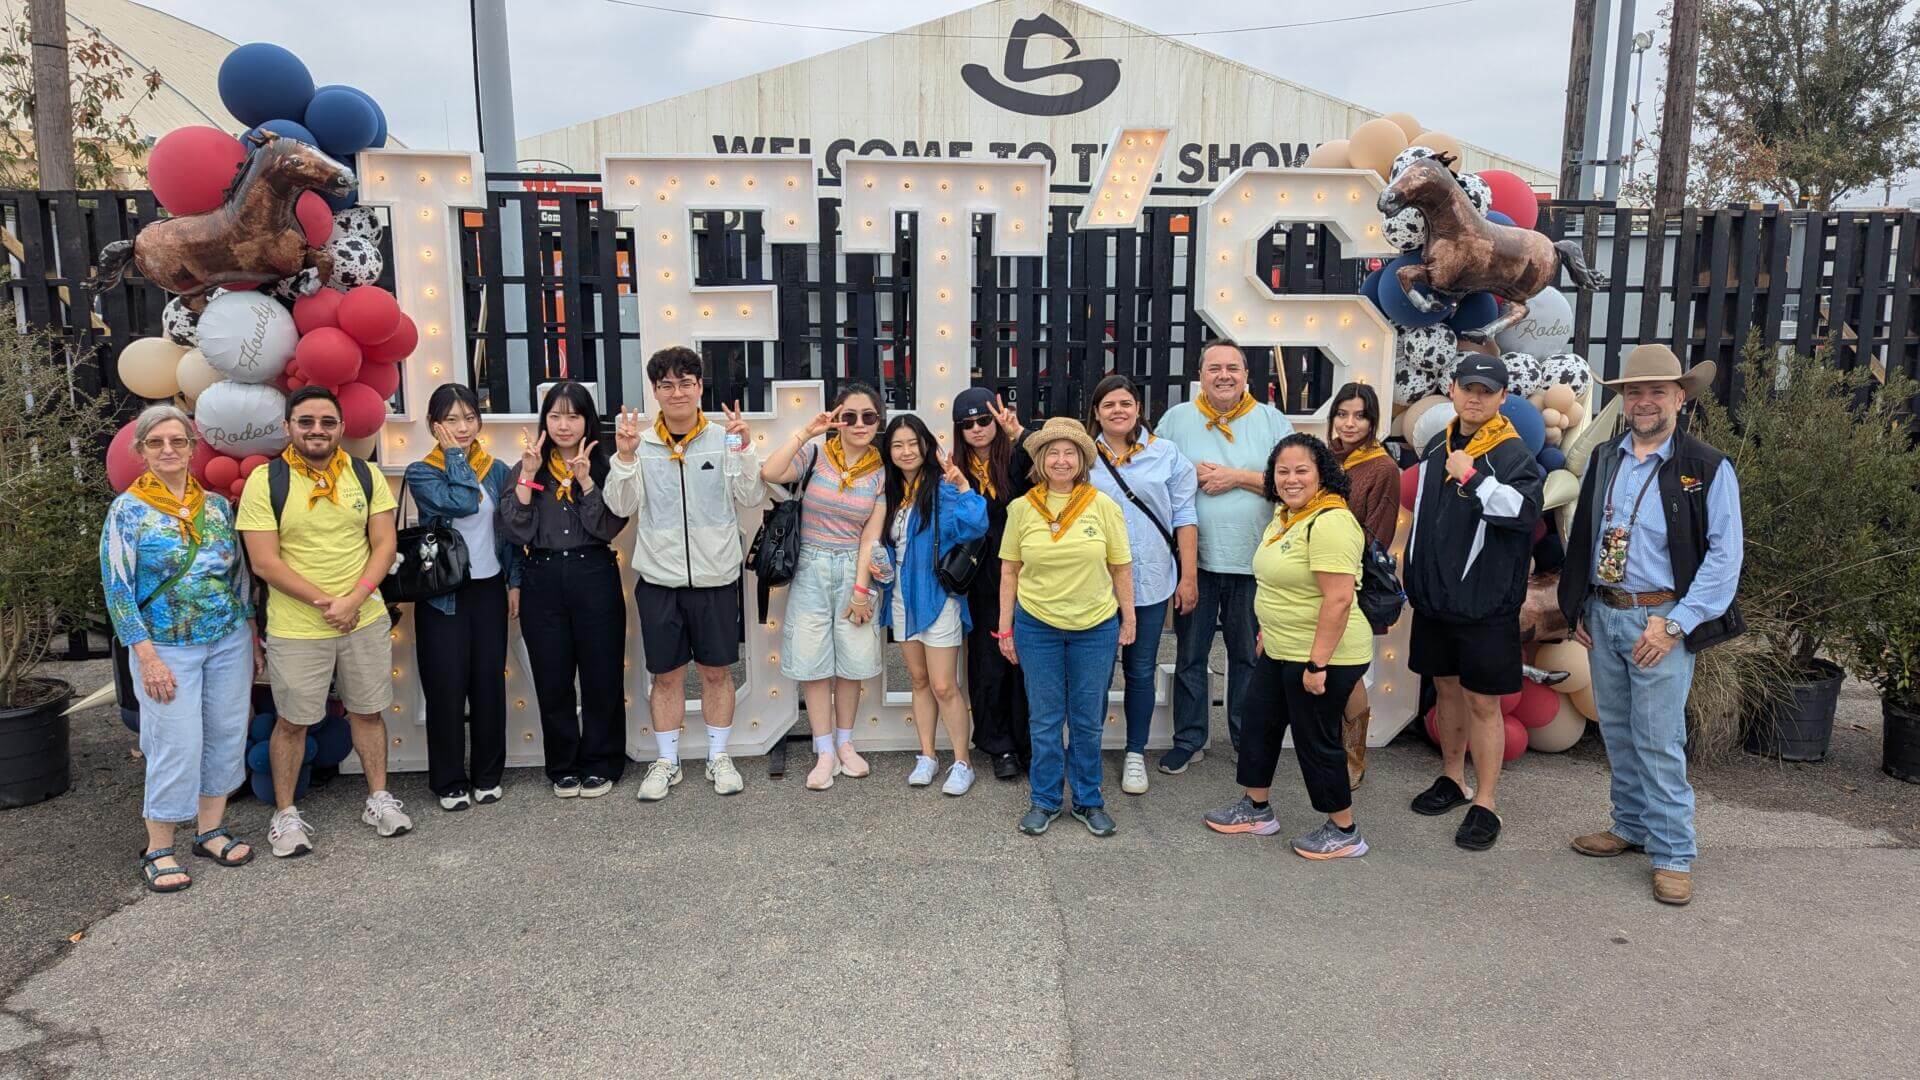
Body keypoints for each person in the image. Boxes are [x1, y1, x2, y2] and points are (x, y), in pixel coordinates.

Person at [1559, 344, 1745, 906]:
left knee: (1659, 740)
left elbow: (1724, 558)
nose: (1644, 402)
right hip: (1606, 614)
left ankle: (1672, 853)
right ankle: (1631, 825)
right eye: (1634, 392)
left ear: (1680, 398)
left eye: (1657, 392)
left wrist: (1675, 625)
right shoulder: (1606, 458)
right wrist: (1579, 605)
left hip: (1660, 622)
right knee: (1617, 732)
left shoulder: (1707, 467)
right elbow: (1587, 536)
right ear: (1623, 400)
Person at [238, 386, 407, 856]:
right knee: (292, 721)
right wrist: (327, 603)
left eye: (327, 422)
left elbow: (384, 546)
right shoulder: (265, 481)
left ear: (341, 428)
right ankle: (285, 815)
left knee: (367, 712)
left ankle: (378, 798)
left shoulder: (365, 475)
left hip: (362, 618)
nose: (317, 430)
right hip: (297, 626)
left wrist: (354, 599)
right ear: (288, 427)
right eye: (306, 421)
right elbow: (265, 562)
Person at [101, 404, 261, 891]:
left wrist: (251, 632)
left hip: (227, 639)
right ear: (142, 451)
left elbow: (238, 576)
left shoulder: (216, 506)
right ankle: (159, 848)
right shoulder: (128, 510)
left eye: (178, 441)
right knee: (175, 742)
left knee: (226, 733)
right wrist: (145, 656)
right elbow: (118, 589)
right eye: (156, 442)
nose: (168, 450)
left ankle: (210, 830)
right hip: (165, 647)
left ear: (192, 448)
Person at [604, 346, 764, 801]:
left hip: (715, 578)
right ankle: (667, 762)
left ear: (699, 387)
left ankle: (718, 756)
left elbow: (750, 496)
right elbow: (620, 505)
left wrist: (745, 449)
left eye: (686, 383)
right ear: (655, 392)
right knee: (667, 676)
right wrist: (625, 458)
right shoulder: (641, 443)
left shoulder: (722, 438)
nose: (677, 392)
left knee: (716, 673)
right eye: (667, 385)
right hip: (659, 580)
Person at [1203, 434, 1374, 859]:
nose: (1291, 479)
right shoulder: (1287, 516)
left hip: (1321, 655)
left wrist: (1317, 665)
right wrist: (1268, 631)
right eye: (1282, 471)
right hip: (1282, 647)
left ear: (1322, 474)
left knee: (1315, 738)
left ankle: (1344, 830)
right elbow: (1280, 583)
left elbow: (1338, 599)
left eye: (1301, 471)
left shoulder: (1330, 521)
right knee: (1259, 722)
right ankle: (1256, 808)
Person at [1403, 354, 1543, 851]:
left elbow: (1524, 513)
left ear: (1503, 397)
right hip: (1436, 601)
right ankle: (1452, 778)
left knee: (1484, 703)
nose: (1476, 398)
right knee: (1445, 690)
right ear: (1453, 390)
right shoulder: (1439, 446)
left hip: (1485, 606)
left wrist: (1474, 477)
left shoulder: (1512, 453)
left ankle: (1486, 802)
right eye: (1468, 388)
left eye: (1487, 391)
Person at [1155, 341, 1294, 773]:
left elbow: (1294, 481)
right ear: (1201, 375)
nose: (1224, 375)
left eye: (1233, 367)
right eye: (1214, 368)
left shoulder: (1272, 421)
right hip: (1196, 563)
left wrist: (1237, 477)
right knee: (1190, 656)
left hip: (1254, 562)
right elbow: (1154, 476)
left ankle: (1245, 739)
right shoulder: (1177, 419)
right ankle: (1189, 739)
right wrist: (1185, 475)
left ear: (1247, 375)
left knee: (1248, 658)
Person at [998, 417, 1135, 838]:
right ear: (1040, 460)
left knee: (1087, 719)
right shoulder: (1022, 509)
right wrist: (1005, 628)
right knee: (1044, 719)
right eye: (1053, 452)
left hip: (1094, 627)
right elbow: (1009, 571)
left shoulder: (1103, 505)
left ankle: (1089, 800)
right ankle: (1044, 799)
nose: (1061, 460)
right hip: (1036, 626)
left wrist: (1129, 618)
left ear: (1081, 460)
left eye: (1069, 453)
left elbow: (1121, 566)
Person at [497, 380, 629, 798]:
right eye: (555, 416)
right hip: (542, 575)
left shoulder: (606, 467)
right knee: (552, 676)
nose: (563, 425)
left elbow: (608, 526)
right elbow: (515, 529)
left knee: (601, 674)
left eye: (573, 416)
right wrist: (528, 476)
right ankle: (563, 765)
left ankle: (602, 762)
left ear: (588, 420)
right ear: (545, 420)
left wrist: (586, 482)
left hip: (594, 572)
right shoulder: (529, 466)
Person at [761, 383, 887, 791]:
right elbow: (770, 472)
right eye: (849, 416)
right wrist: (806, 432)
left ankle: (846, 743)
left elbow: (870, 537)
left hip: (853, 567)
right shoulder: (816, 454)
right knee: (814, 663)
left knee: (852, 661)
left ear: (878, 421)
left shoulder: (880, 471)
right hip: (811, 566)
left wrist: (861, 590)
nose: (859, 424)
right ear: (837, 418)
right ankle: (824, 749)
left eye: (868, 416)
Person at [403, 384, 521, 811]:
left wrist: (514, 582)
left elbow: (508, 531)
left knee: (488, 685)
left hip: (489, 589)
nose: (463, 427)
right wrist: (455, 456)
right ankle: (449, 779)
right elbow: (463, 502)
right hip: (443, 595)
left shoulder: (498, 469)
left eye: (469, 418)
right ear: (434, 425)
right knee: (446, 688)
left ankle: (488, 774)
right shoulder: (422, 471)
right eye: (451, 420)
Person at [1084, 374, 1198, 796]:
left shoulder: (1166, 454)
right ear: (1096, 413)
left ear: (1138, 409)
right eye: (1109, 404)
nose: (1118, 411)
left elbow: (1185, 516)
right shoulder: (1083, 457)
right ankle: (1087, 751)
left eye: (1125, 403)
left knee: (1140, 669)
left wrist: (1188, 576)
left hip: (1149, 580)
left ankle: (1135, 751)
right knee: (1094, 672)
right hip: (1094, 583)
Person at [870, 415, 989, 794]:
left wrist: (964, 486)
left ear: (926, 446)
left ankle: (962, 762)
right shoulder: (891, 492)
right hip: (901, 599)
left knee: (944, 685)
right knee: (919, 681)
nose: (906, 452)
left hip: (938, 598)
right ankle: (927, 755)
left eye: (913, 443)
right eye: (897, 445)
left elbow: (975, 528)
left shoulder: (942, 487)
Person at [952, 388, 1036, 780]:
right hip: (980, 577)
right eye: (967, 423)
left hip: (1026, 572)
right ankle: (999, 745)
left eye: (984, 420)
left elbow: (1052, 464)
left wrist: (1018, 432)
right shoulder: (955, 469)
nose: (977, 429)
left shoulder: (1018, 457)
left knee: (1027, 661)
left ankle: (1029, 744)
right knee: (988, 663)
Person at [1325, 381, 1400, 787]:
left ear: (1373, 421)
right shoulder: (1326, 458)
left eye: (1359, 415)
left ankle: (1354, 758)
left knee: (1348, 673)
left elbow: (1378, 537)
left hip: (1353, 583)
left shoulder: (1382, 467)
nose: (1349, 423)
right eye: (1342, 414)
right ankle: (1327, 751)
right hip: (1314, 580)